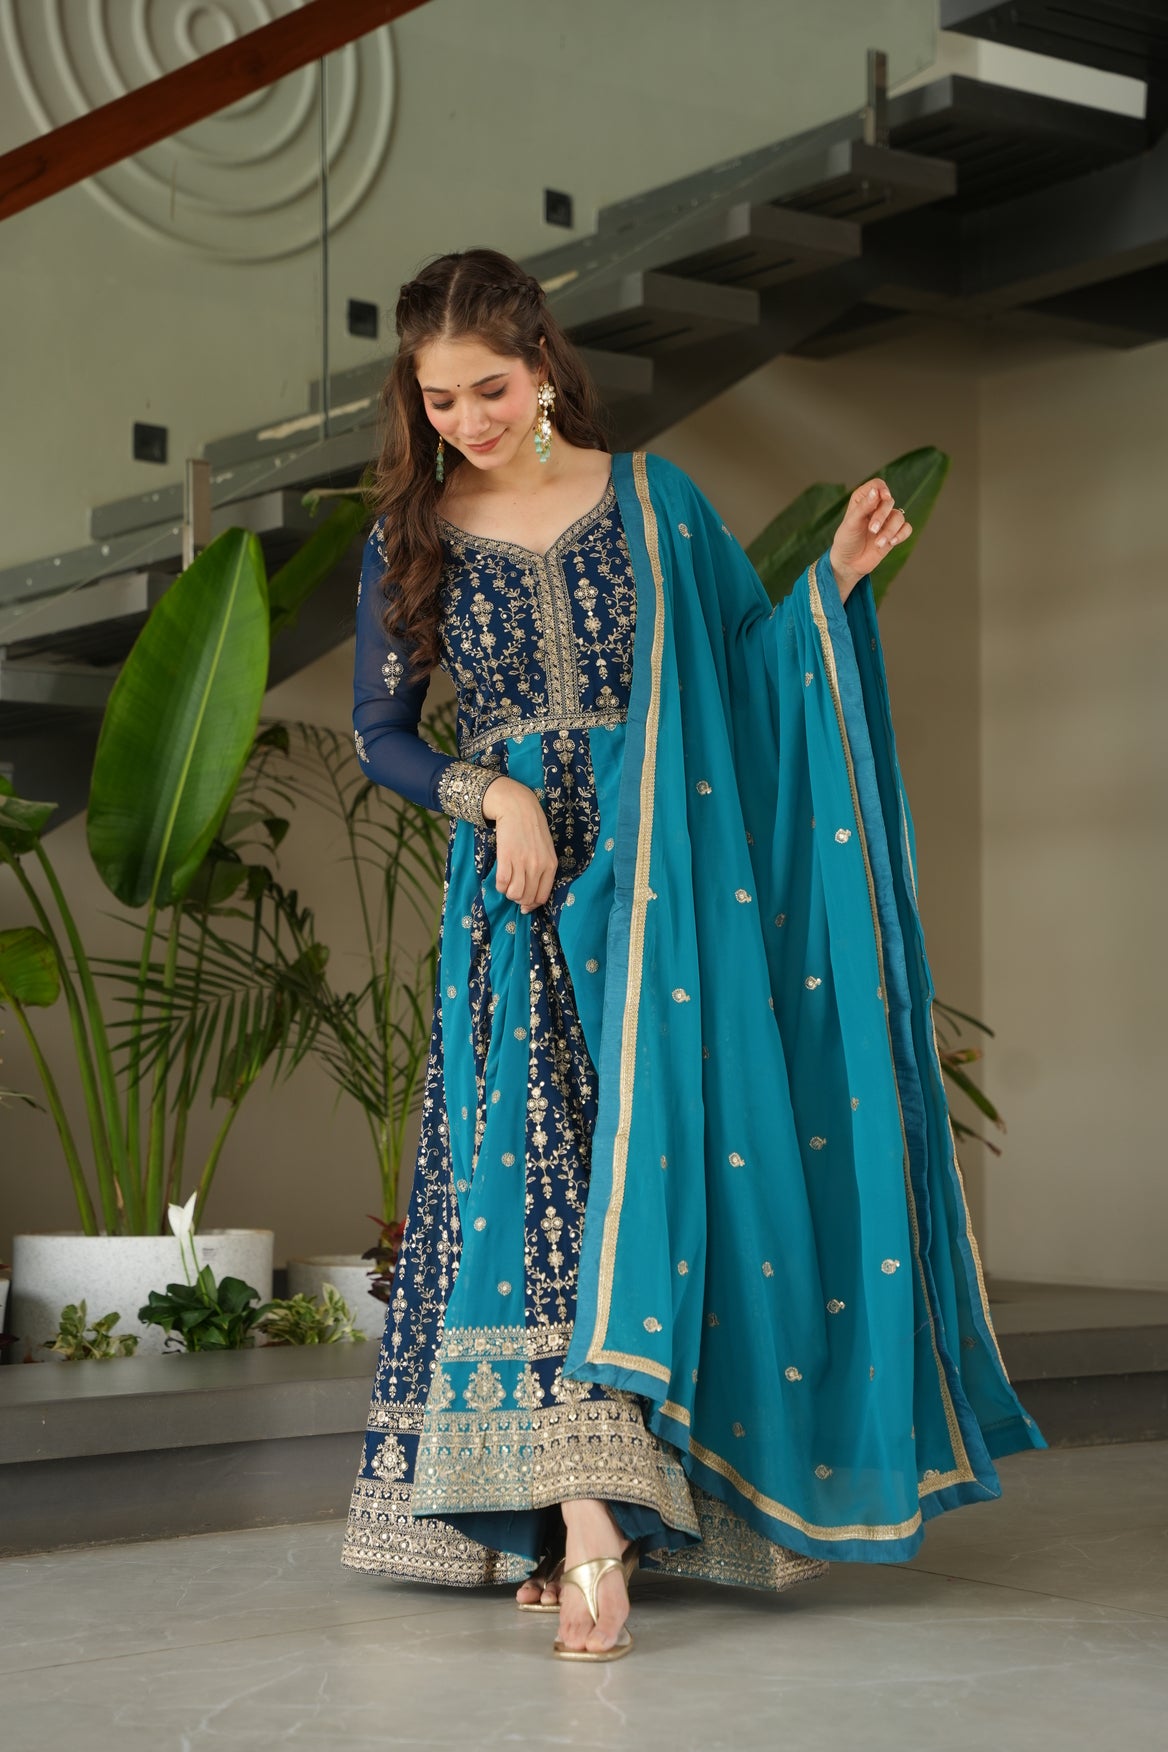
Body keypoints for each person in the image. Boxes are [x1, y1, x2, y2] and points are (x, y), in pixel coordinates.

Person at [340, 246, 1046, 1662]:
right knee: (536, 1191)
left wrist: (836, 580)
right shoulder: (411, 535)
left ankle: (607, 1516)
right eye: (438, 400)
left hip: (669, 887)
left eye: (488, 390)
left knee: (653, 1183)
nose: (465, 421)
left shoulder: (657, 505)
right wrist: (497, 796)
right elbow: (384, 734)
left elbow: (748, 674)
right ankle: (577, 1521)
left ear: (543, 365)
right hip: (520, 902)